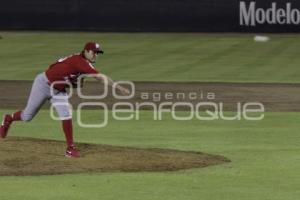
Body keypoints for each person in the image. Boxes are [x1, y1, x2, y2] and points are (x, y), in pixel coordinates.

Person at [0, 42, 129, 158]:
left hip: (58, 91)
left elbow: (63, 72)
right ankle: (8, 119)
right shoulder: (80, 61)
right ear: (86, 51)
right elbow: (100, 77)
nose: (96, 55)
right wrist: (119, 87)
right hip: (43, 84)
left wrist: (73, 82)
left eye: (98, 53)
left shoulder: (82, 63)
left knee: (66, 115)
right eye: (94, 52)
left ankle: (70, 148)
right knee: (27, 116)